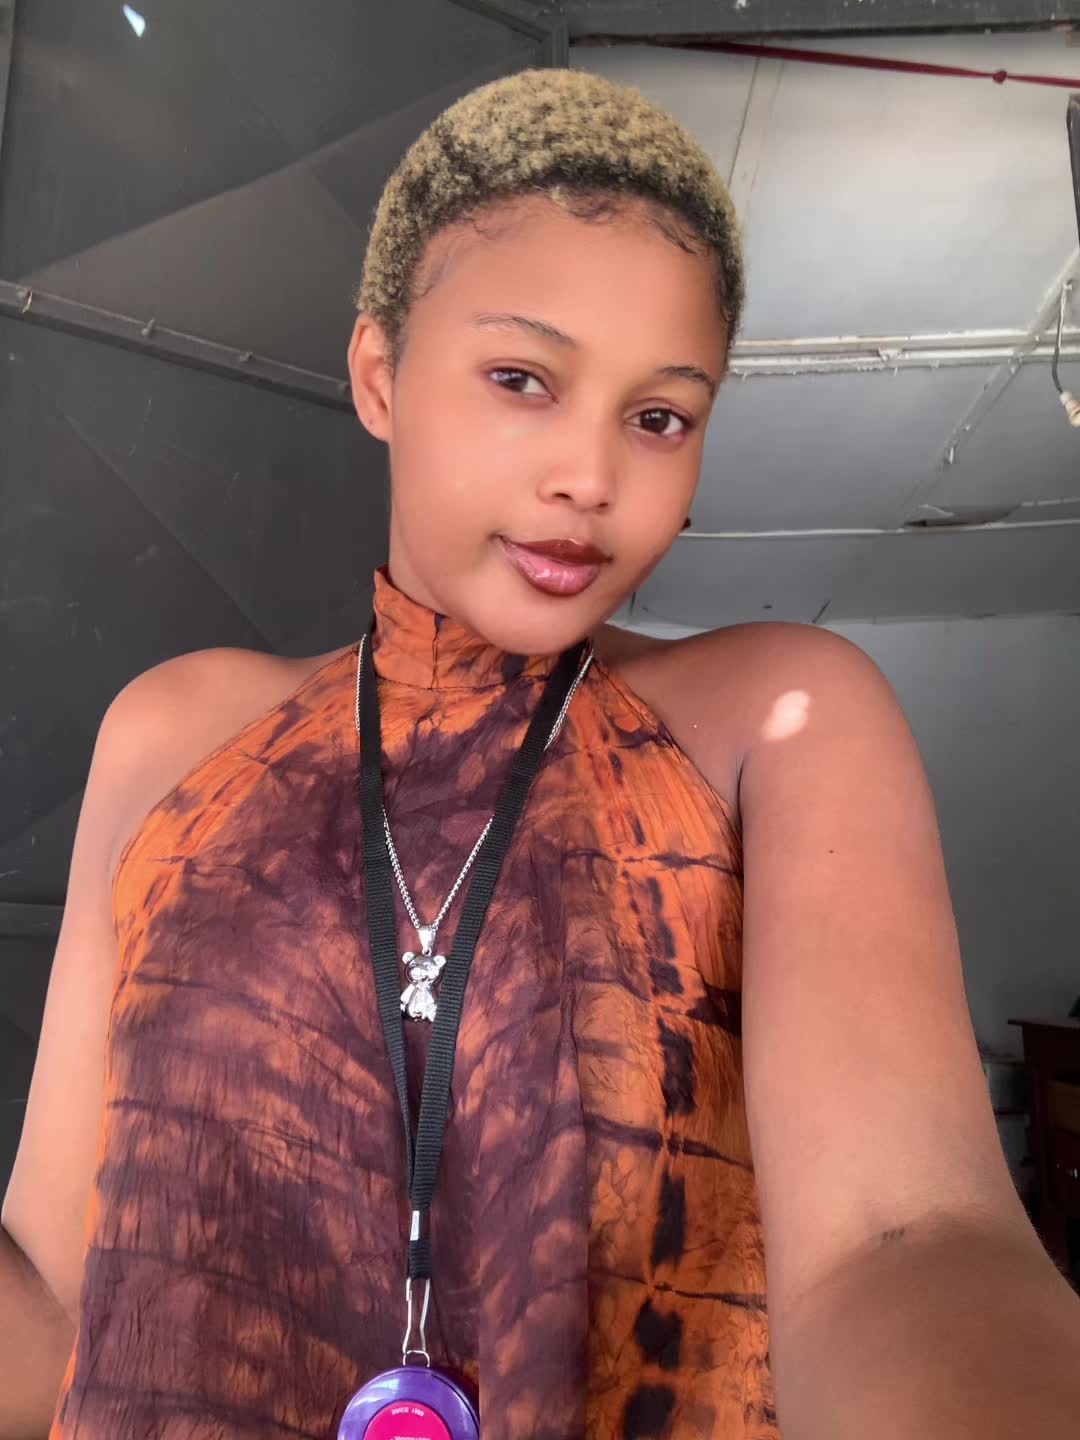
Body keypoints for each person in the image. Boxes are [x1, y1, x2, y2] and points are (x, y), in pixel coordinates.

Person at [2, 64, 1078, 1440]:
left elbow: (906, 1241)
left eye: (659, 415)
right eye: (522, 378)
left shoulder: (778, 720)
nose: (592, 475)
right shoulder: (178, 735)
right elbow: (54, 1293)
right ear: (380, 374)